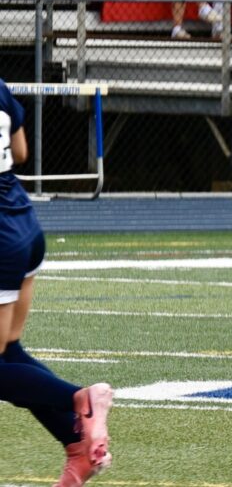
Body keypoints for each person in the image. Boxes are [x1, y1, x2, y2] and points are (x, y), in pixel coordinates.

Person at [0, 79, 114, 485]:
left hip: (1, 239)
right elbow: (21, 152)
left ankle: (80, 399)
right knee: (8, 352)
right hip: (23, 222)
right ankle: (77, 444)